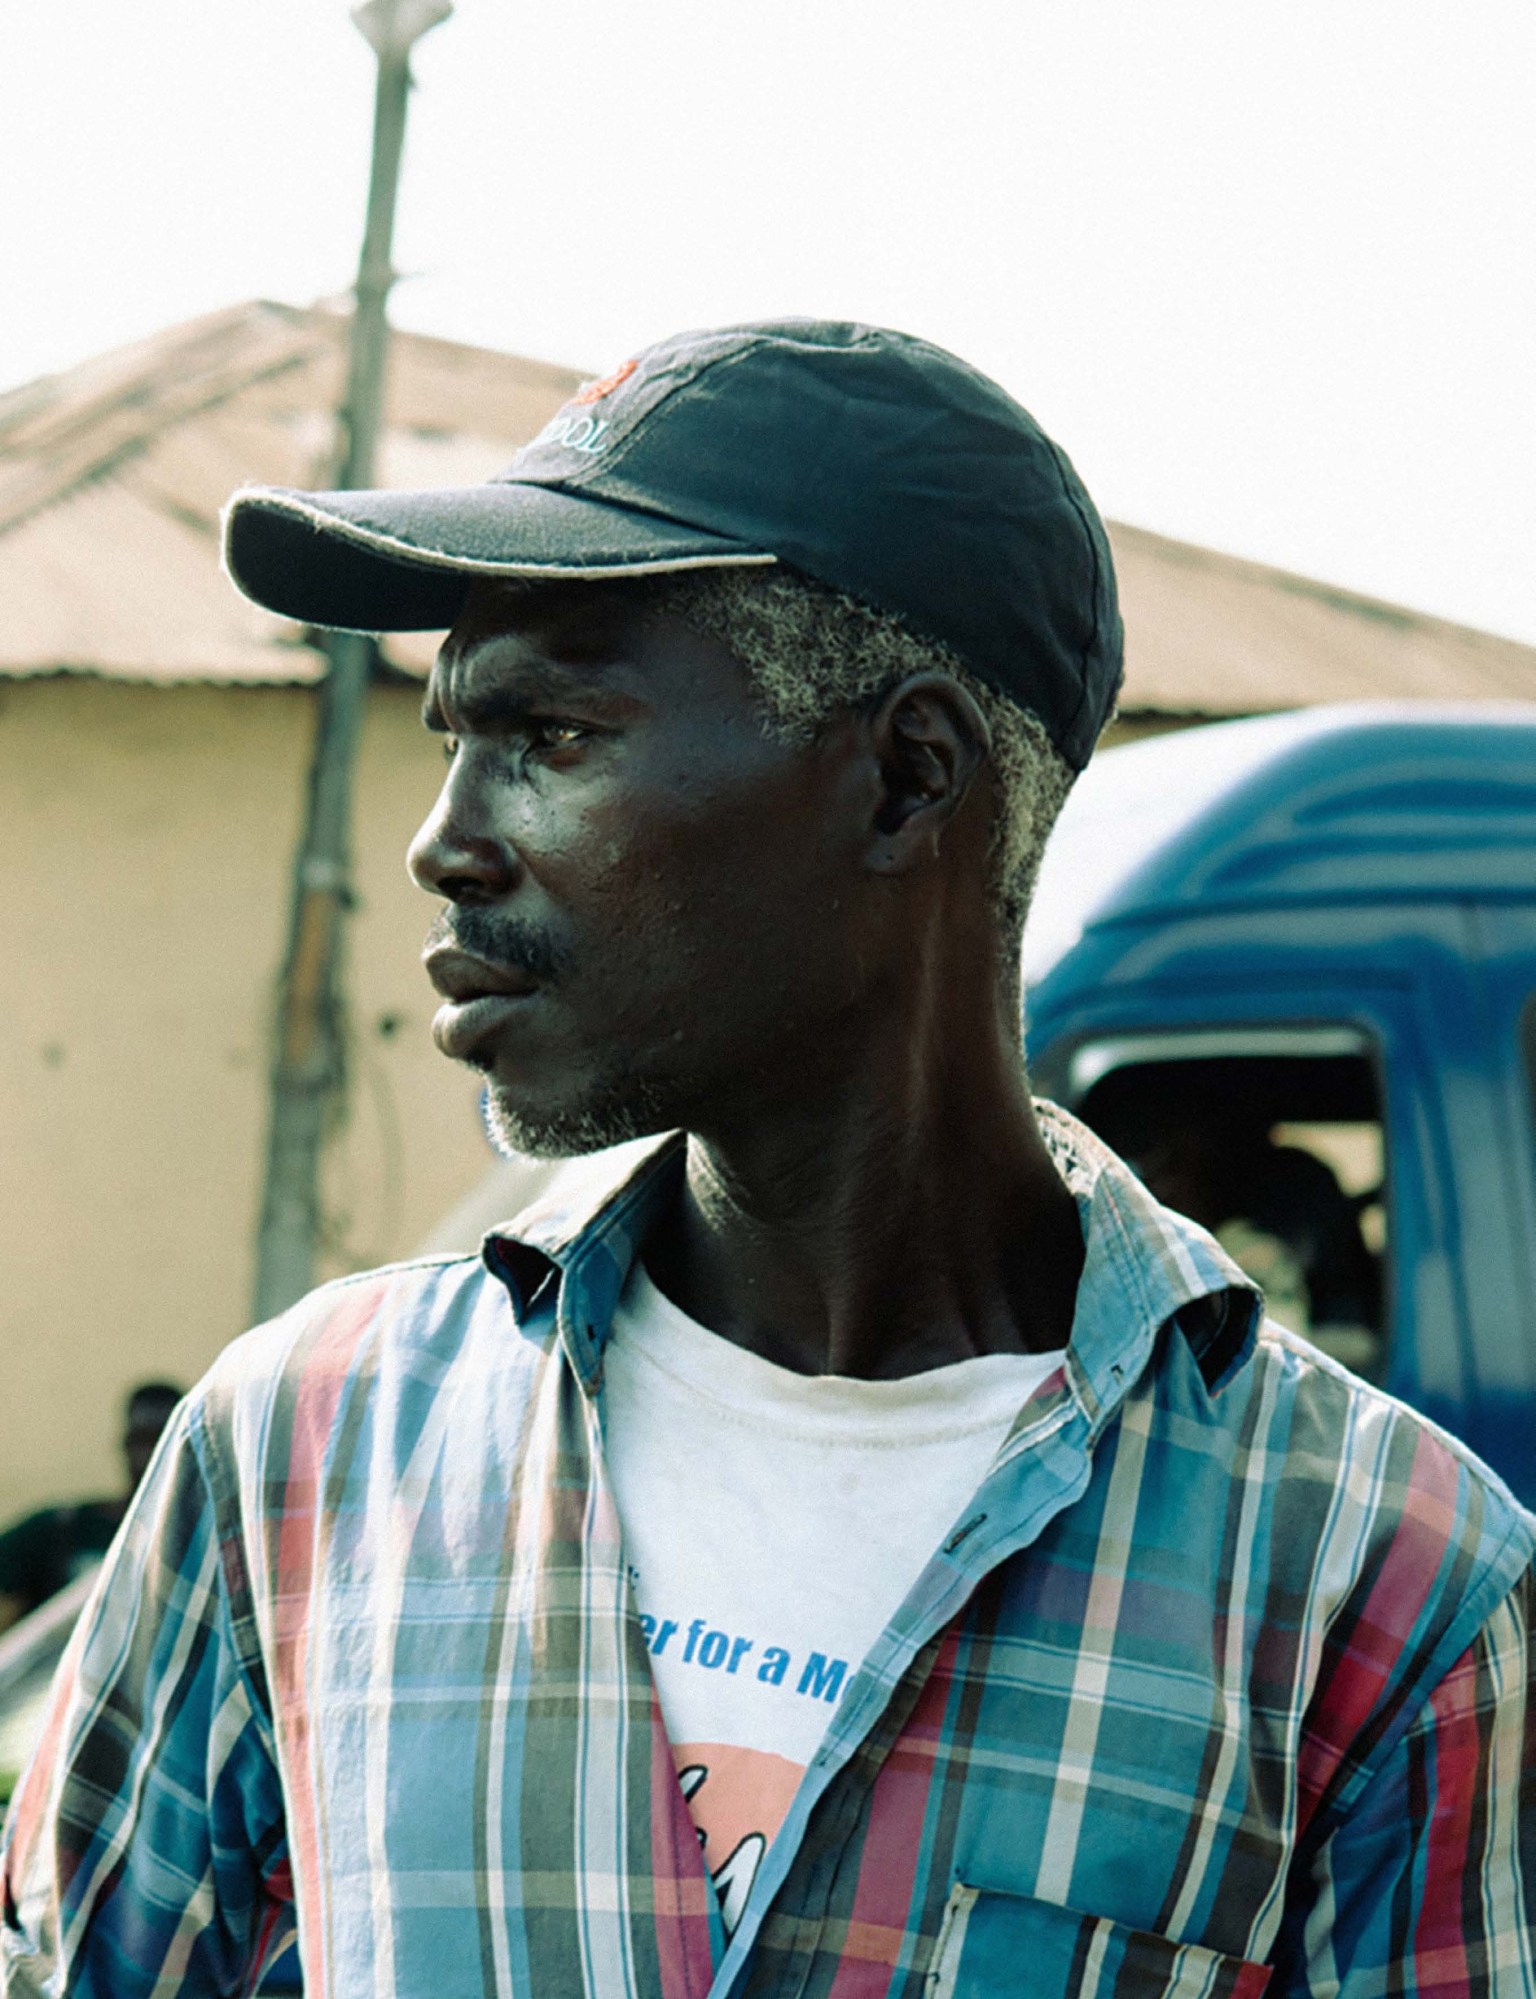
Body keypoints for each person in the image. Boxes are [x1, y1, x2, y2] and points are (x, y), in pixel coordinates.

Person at [2, 321, 1530, 1997]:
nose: (444, 839)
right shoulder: (301, 1449)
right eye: (451, 738)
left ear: (905, 777)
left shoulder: (1376, 1584)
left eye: (552, 736)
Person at [0, 1382, 183, 1636]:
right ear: (124, 1445)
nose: (148, 1456)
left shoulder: (199, 1540)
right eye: (140, 1441)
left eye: (161, 1442)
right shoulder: (64, 1527)